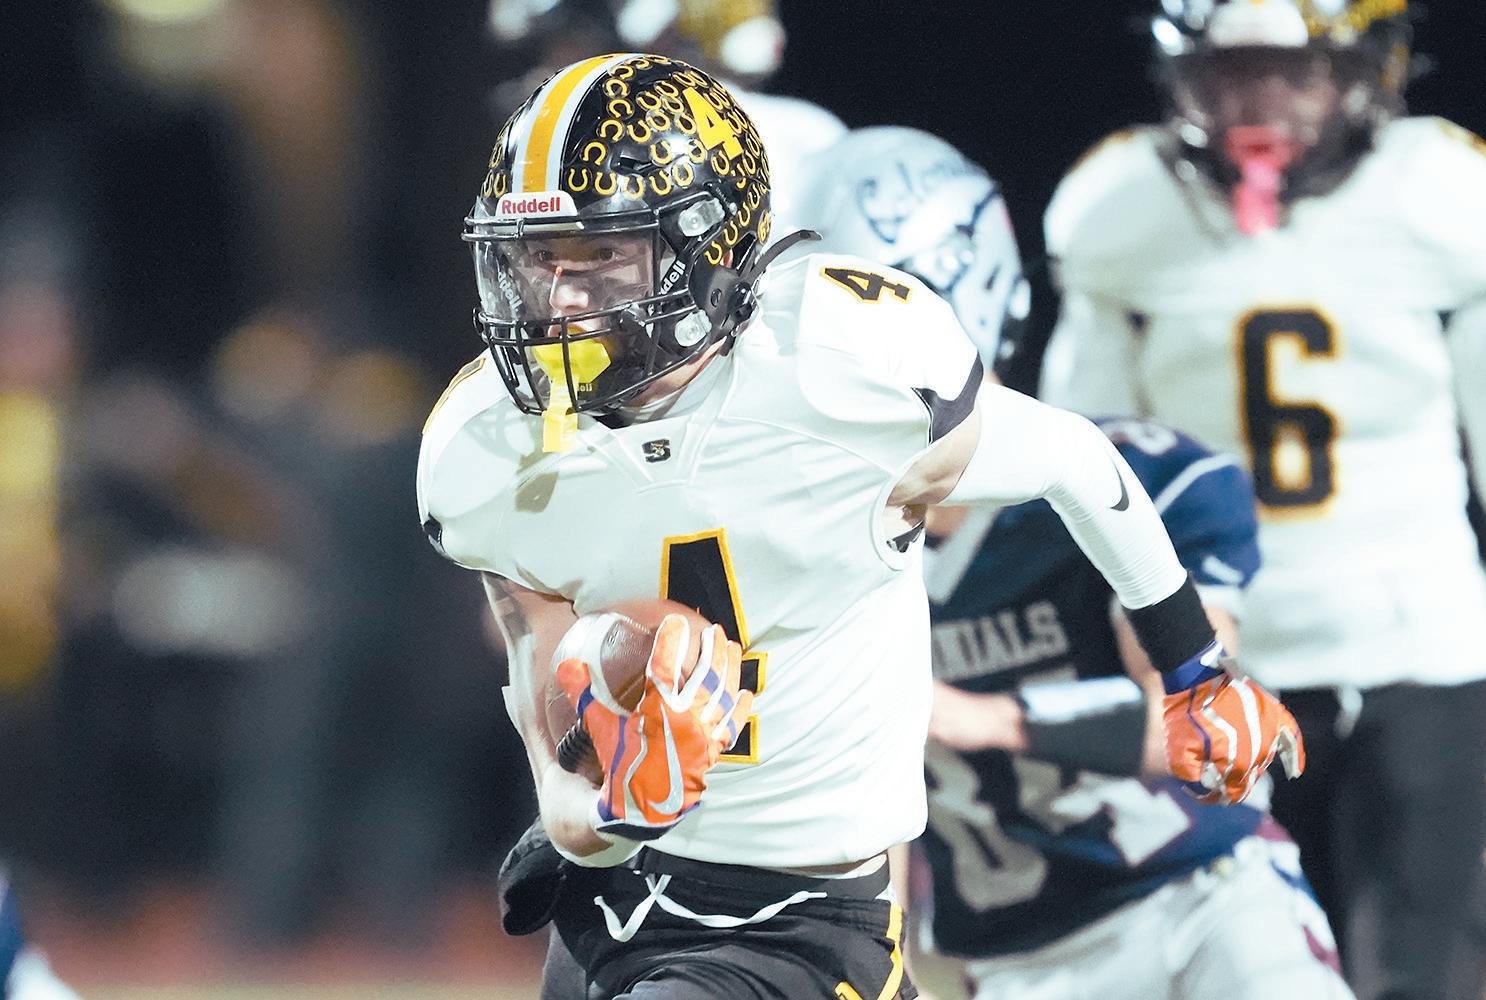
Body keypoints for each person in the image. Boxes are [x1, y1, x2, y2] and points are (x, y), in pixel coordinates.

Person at [418, 54, 1300, 999]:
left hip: (799, 919)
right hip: (609, 916)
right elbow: (563, 796)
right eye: (536, 260)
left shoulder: (840, 375)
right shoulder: (489, 450)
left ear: (705, 247)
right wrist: (617, 805)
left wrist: (1194, 667)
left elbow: (1077, 461)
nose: (560, 299)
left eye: (600, 258)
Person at [800, 125, 1349, 1000]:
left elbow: (1189, 722)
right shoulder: (813, 536)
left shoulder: (1126, 477)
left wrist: (972, 717)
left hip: (1203, 905)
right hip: (1018, 965)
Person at [1037, 2, 1486, 997]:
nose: (1258, 99)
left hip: (1419, 651)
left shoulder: (1439, 195)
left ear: (1365, 71)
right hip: (1219, 668)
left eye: (1292, 71)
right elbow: (1088, 469)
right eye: (1230, 70)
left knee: (1419, 976)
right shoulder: (1128, 210)